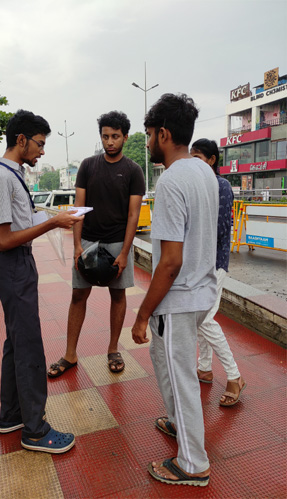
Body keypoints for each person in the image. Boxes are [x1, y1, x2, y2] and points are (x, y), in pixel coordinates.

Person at [0, 109, 84, 454]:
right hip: (13, 263)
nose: (42, 151)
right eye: (39, 144)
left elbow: (18, 225)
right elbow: (6, 238)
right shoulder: (1, 177)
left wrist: (50, 217)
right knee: (28, 346)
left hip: (18, 264)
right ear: (20, 140)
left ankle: (11, 415)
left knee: (16, 342)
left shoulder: (13, 175)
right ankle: (36, 432)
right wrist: (53, 225)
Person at [131, 94, 218, 487]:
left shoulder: (170, 181)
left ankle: (192, 464)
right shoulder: (204, 173)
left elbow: (169, 262)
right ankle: (178, 421)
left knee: (180, 374)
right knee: (166, 362)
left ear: (163, 134)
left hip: (179, 298)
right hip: (203, 292)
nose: (148, 142)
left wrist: (143, 313)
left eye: (149, 135)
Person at [48, 111, 145, 377]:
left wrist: (125, 253)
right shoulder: (88, 166)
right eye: (105, 136)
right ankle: (70, 353)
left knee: (118, 295)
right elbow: (79, 208)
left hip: (117, 243)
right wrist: (77, 246)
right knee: (78, 295)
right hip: (88, 240)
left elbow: (133, 216)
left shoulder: (133, 171)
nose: (110, 141)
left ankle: (113, 349)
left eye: (115, 136)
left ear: (125, 137)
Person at [190, 139, 246, 406]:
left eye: (198, 157)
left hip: (214, 263)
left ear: (212, 160)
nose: (193, 162)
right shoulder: (199, 185)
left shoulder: (220, 186)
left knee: (204, 318)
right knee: (202, 316)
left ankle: (235, 376)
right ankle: (204, 368)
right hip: (200, 263)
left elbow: (219, 230)